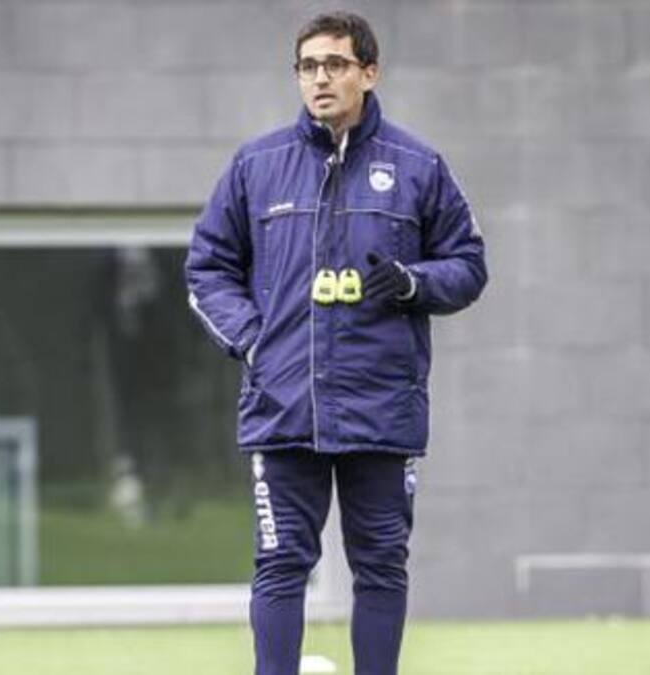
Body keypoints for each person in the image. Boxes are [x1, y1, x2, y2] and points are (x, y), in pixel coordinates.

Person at [185, 12, 487, 675]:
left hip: (382, 406)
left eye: (335, 64)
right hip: (283, 404)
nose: (320, 78)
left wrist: (412, 281)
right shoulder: (256, 165)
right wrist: (255, 341)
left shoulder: (418, 166)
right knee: (280, 562)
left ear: (369, 73)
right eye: (308, 66)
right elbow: (206, 268)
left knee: (381, 564)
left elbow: (468, 265)